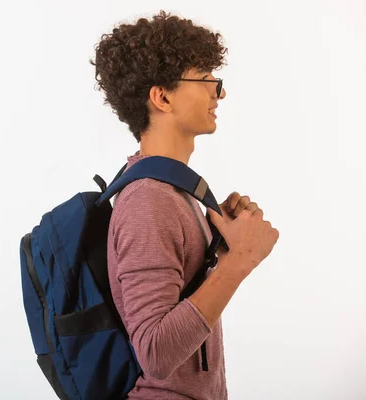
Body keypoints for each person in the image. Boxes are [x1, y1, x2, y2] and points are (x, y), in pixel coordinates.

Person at [90, 10, 280, 399]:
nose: (219, 92)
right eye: (205, 78)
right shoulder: (149, 200)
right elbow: (155, 353)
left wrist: (221, 249)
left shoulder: (173, 192)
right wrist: (240, 260)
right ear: (161, 97)